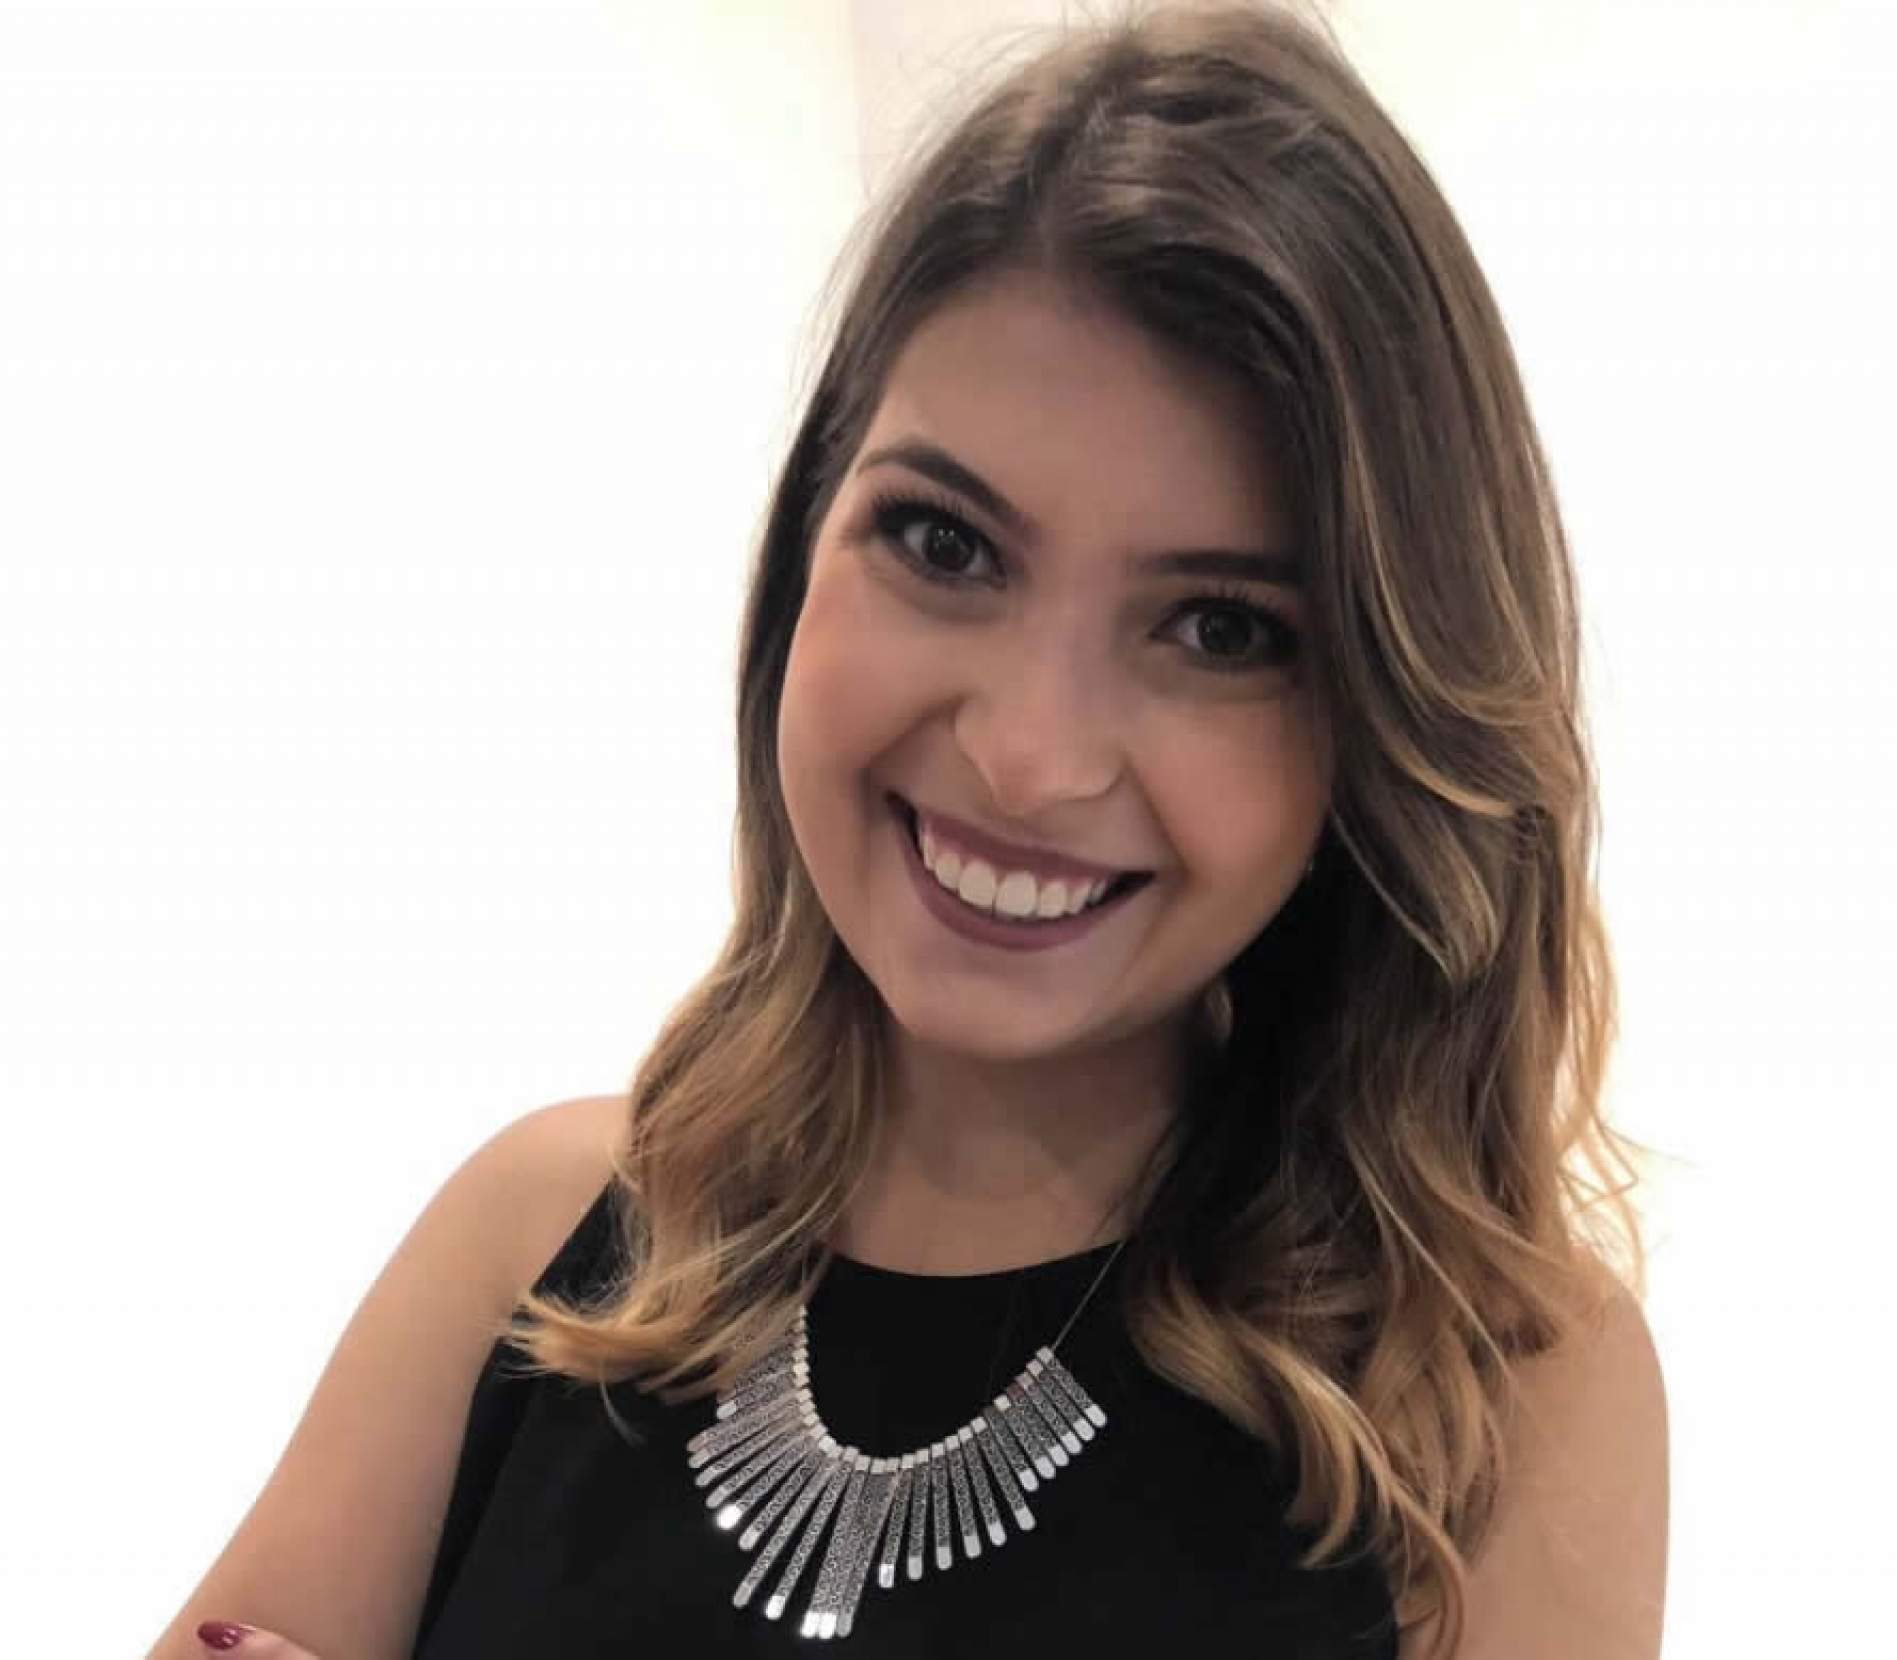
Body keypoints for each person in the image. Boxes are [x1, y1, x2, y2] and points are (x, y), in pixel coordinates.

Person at [152, 3, 1667, 1656]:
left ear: (1381, 715)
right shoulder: (533, 1239)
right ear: (809, 537)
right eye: (946, 544)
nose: (1026, 759)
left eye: (1221, 630)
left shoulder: (1496, 1393)